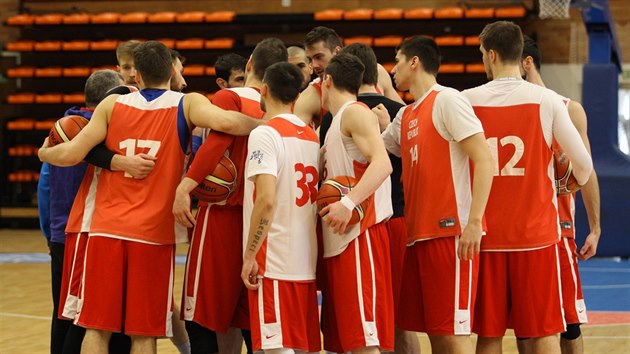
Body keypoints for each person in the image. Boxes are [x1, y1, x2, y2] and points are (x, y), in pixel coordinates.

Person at [38, 41, 262, 354]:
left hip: (105, 228)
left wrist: (43, 151)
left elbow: (73, 153)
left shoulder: (111, 105)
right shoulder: (187, 103)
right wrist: (268, 125)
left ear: (137, 76)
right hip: (153, 233)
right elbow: (227, 122)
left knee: (97, 328)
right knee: (144, 333)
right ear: (172, 70)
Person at [461, 21, 593, 354]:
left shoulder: (466, 100)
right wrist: (564, 184)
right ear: (520, 55)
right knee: (543, 331)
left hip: (486, 236)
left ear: (491, 55)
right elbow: (585, 166)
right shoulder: (548, 101)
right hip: (537, 238)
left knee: (489, 334)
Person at [377, 35, 494, 354]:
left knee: (455, 334)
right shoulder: (407, 114)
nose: (392, 69)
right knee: (437, 332)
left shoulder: (448, 100)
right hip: (419, 236)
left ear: (414, 61)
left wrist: (473, 223)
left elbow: (484, 159)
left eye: (397, 60)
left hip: (450, 234)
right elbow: (376, 149)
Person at [172, 37, 288, 354]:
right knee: (249, 317)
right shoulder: (282, 111)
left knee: (199, 317)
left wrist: (186, 186)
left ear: (249, 64)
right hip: (260, 221)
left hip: (220, 214)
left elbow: (214, 145)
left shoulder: (229, 96)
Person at [37, 70, 156, 354]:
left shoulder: (61, 127)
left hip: (60, 236)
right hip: (92, 234)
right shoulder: (108, 130)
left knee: (63, 317)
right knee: (96, 321)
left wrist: (48, 233)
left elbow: (45, 188)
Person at [318, 43, 420, 353]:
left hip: (361, 236)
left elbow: (383, 163)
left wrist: (347, 203)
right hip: (343, 238)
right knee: (351, 340)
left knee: (367, 341)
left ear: (328, 81)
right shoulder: (337, 120)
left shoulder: (355, 112)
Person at [517, 35, 602, 354]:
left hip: (559, 232)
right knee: (525, 325)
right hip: (519, 233)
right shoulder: (504, 107)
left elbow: (588, 170)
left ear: (527, 62)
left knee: (569, 325)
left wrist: (595, 228)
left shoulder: (569, 109)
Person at [241, 61, 321, 354]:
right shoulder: (312, 135)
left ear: (264, 90)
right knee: (298, 346)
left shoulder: (264, 133)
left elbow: (266, 200)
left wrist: (250, 255)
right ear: (297, 96)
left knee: (275, 348)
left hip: (272, 258)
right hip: (305, 258)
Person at [294, 26, 403, 128]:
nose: (314, 65)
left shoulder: (376, 71)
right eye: (310, 59)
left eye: (318, 57)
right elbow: (297, 138)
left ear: (337, 51)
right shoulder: (310, 97)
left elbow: (405, 114)